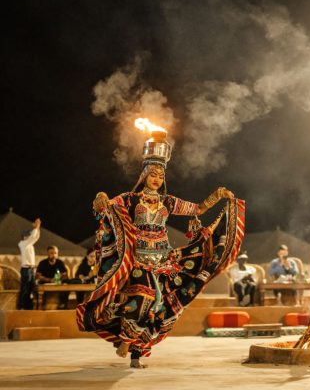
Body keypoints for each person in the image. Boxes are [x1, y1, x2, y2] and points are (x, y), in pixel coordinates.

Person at [76, 130, 245, 369]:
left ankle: (136, 354)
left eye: (160, 175)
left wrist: (217, 195)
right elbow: (105, 209)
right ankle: (125, 340)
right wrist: (101, 196)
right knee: (142, 297)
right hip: (137, 259)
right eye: (152, 174)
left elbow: (197, 209)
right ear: (145, 174)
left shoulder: (167, 201)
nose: (156, 179)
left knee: (160, 305)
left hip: (165, 260)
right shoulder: (130, 199)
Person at [17, 218, 41, 309]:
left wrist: (38, 228)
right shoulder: (22, 243)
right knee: (25, 288)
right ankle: (21, 306)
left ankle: (28, 306)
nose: (31, 236)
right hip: (26, 269)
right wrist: (37, 227)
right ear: (25, 237)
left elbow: (35, 237)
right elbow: (32, 237)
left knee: (31, 288)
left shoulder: (29, 244)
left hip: (31, 269)